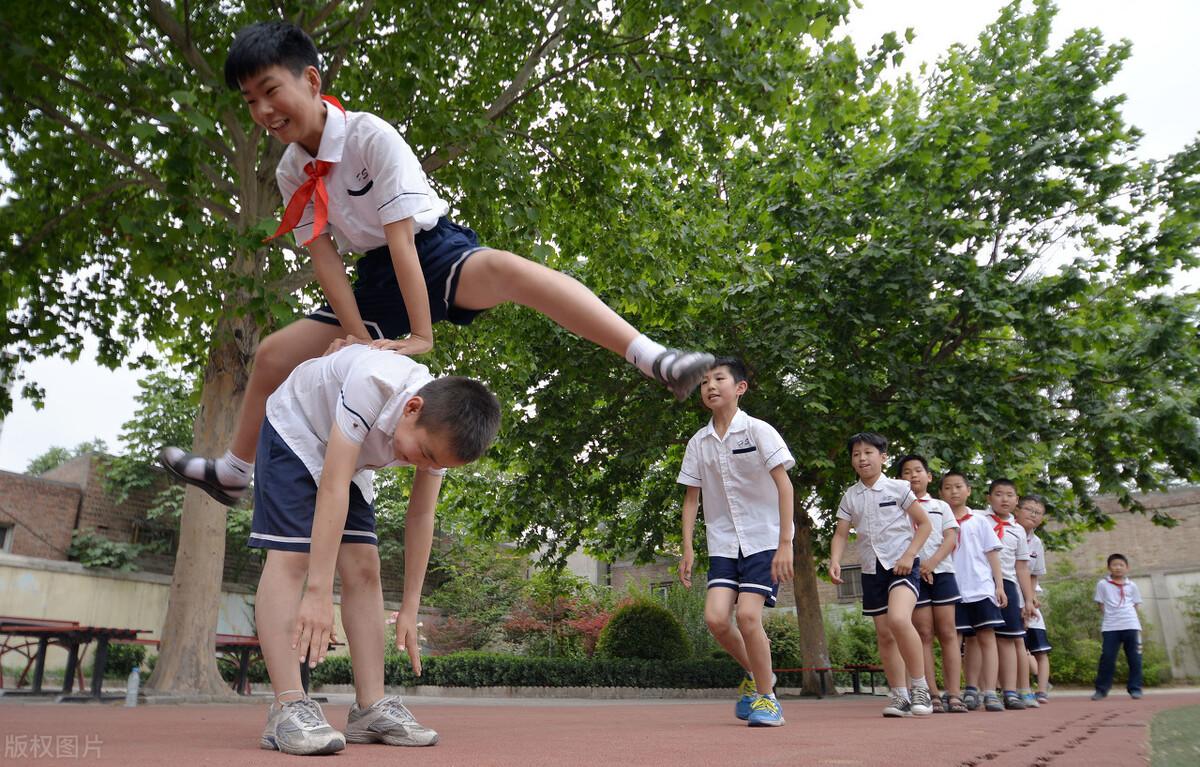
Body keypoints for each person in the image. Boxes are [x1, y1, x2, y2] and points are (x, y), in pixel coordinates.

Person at [159, 20, 713, 506]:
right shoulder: (289, 171)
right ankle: (234, 472)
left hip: (430, 250)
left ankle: (653, 357)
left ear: (310, 80)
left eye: (269, 90)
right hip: (375, 278)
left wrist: (421, 337)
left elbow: (404, 242)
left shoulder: (368, 135)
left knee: (511, 273)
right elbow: (325, 260)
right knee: (275, 354)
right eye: (249, 100)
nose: (261, 110)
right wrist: (354, 336)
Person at [249, 344, 500, 755]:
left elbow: (420, 517)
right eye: (425, 454)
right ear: (412, 408)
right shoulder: (373, 383)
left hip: (350, 456)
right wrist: (317, 593)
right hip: (296, 429)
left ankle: (370, 708)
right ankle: (287, 707)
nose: (423, 465)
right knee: (293, 557)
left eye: (435, 463)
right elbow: (333, 484)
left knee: (365, 565)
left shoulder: (437, 435)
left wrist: (411, 605)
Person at [677, 357, 794, 727]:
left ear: (739, 387)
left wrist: (786, 542)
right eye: (704, 382)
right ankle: (761, 674)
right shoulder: (698, 442)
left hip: (763, 539)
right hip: (723, 544)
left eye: (719, 379)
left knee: (746, 615)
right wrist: (688, 548)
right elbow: (691, 499)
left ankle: (767, 698)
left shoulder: (760, 431)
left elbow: (784, 486)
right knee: (715, 618)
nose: (710, 386)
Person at [829, 433, 933, 718]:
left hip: (901, 565)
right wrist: (835, 560)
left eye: (869, 452)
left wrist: (909, 555)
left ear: (883, 457)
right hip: (871, 569)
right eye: (856, 454)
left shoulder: (899, 489)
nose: (862, 458)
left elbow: (924, 525)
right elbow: (840, 533)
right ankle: (899, 696)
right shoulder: (850, 496)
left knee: (900, 620)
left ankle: (921, 688)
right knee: (885, 635)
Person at [897, 454, 963, 713]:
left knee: (948, 633)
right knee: (923, 633)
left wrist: (932, 563)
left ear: (929, 476)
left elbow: (950, 538)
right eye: (906, 472)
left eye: (918, 471)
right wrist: (917, 564)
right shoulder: (897, 507)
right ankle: (931, 693)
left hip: (942, 572)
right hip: (912, 575)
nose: (913, 475)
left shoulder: (940, 506)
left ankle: (954, 694)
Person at [941, 471, 1006, 713]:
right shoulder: (938, 521)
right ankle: (959, 691)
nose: (954, 491)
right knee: (954, 641)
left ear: (968, 491)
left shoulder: (980, 522)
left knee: (986, 639)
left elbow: (992, 554)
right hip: (952, 591)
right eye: (948, 487)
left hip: (980, 588)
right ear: (940, 493)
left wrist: (998, 585)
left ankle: (989, 691)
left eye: (959, 486)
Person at [981, 479, 1036, 710]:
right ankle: (984, 691)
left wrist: (1028, 600)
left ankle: (1010, 691)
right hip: (982, 584)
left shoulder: (1018, 532)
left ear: (1016, 500)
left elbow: (1021, 568)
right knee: (981, 638)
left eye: (1010, 495)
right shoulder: (979, 521)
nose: (1004, 499)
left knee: (1009, 639)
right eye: (999, 494)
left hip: (1009, 586)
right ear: (988, 498)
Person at [1092, 553, 1144, 701]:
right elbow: (1100, 604)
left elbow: (1136, 604)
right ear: (1109, 567)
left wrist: (1129, 618)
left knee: (1135, 658)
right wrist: (1111, 616)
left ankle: (1135, 688)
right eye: (1115, 564)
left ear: (1127, 568)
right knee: (1107, 657)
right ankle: (1101, 690)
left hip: (1131, 625)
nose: (1118, 567)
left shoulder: (1132, 585)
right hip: (1110, 626)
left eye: (1121, 565)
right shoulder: (1102, 584)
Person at [1017, 495, 1051, 704]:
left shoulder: (1036, 542)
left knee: (1038, 647)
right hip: (1009, 595)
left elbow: (1034, 574)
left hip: (1029, 598)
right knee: (1015, 644)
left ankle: (1042, 689)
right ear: (1017, 510)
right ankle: (1019, 688)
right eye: (1029, 509)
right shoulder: (1004, 531)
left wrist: (1031, 598)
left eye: (1038, 513)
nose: (1033, 515)